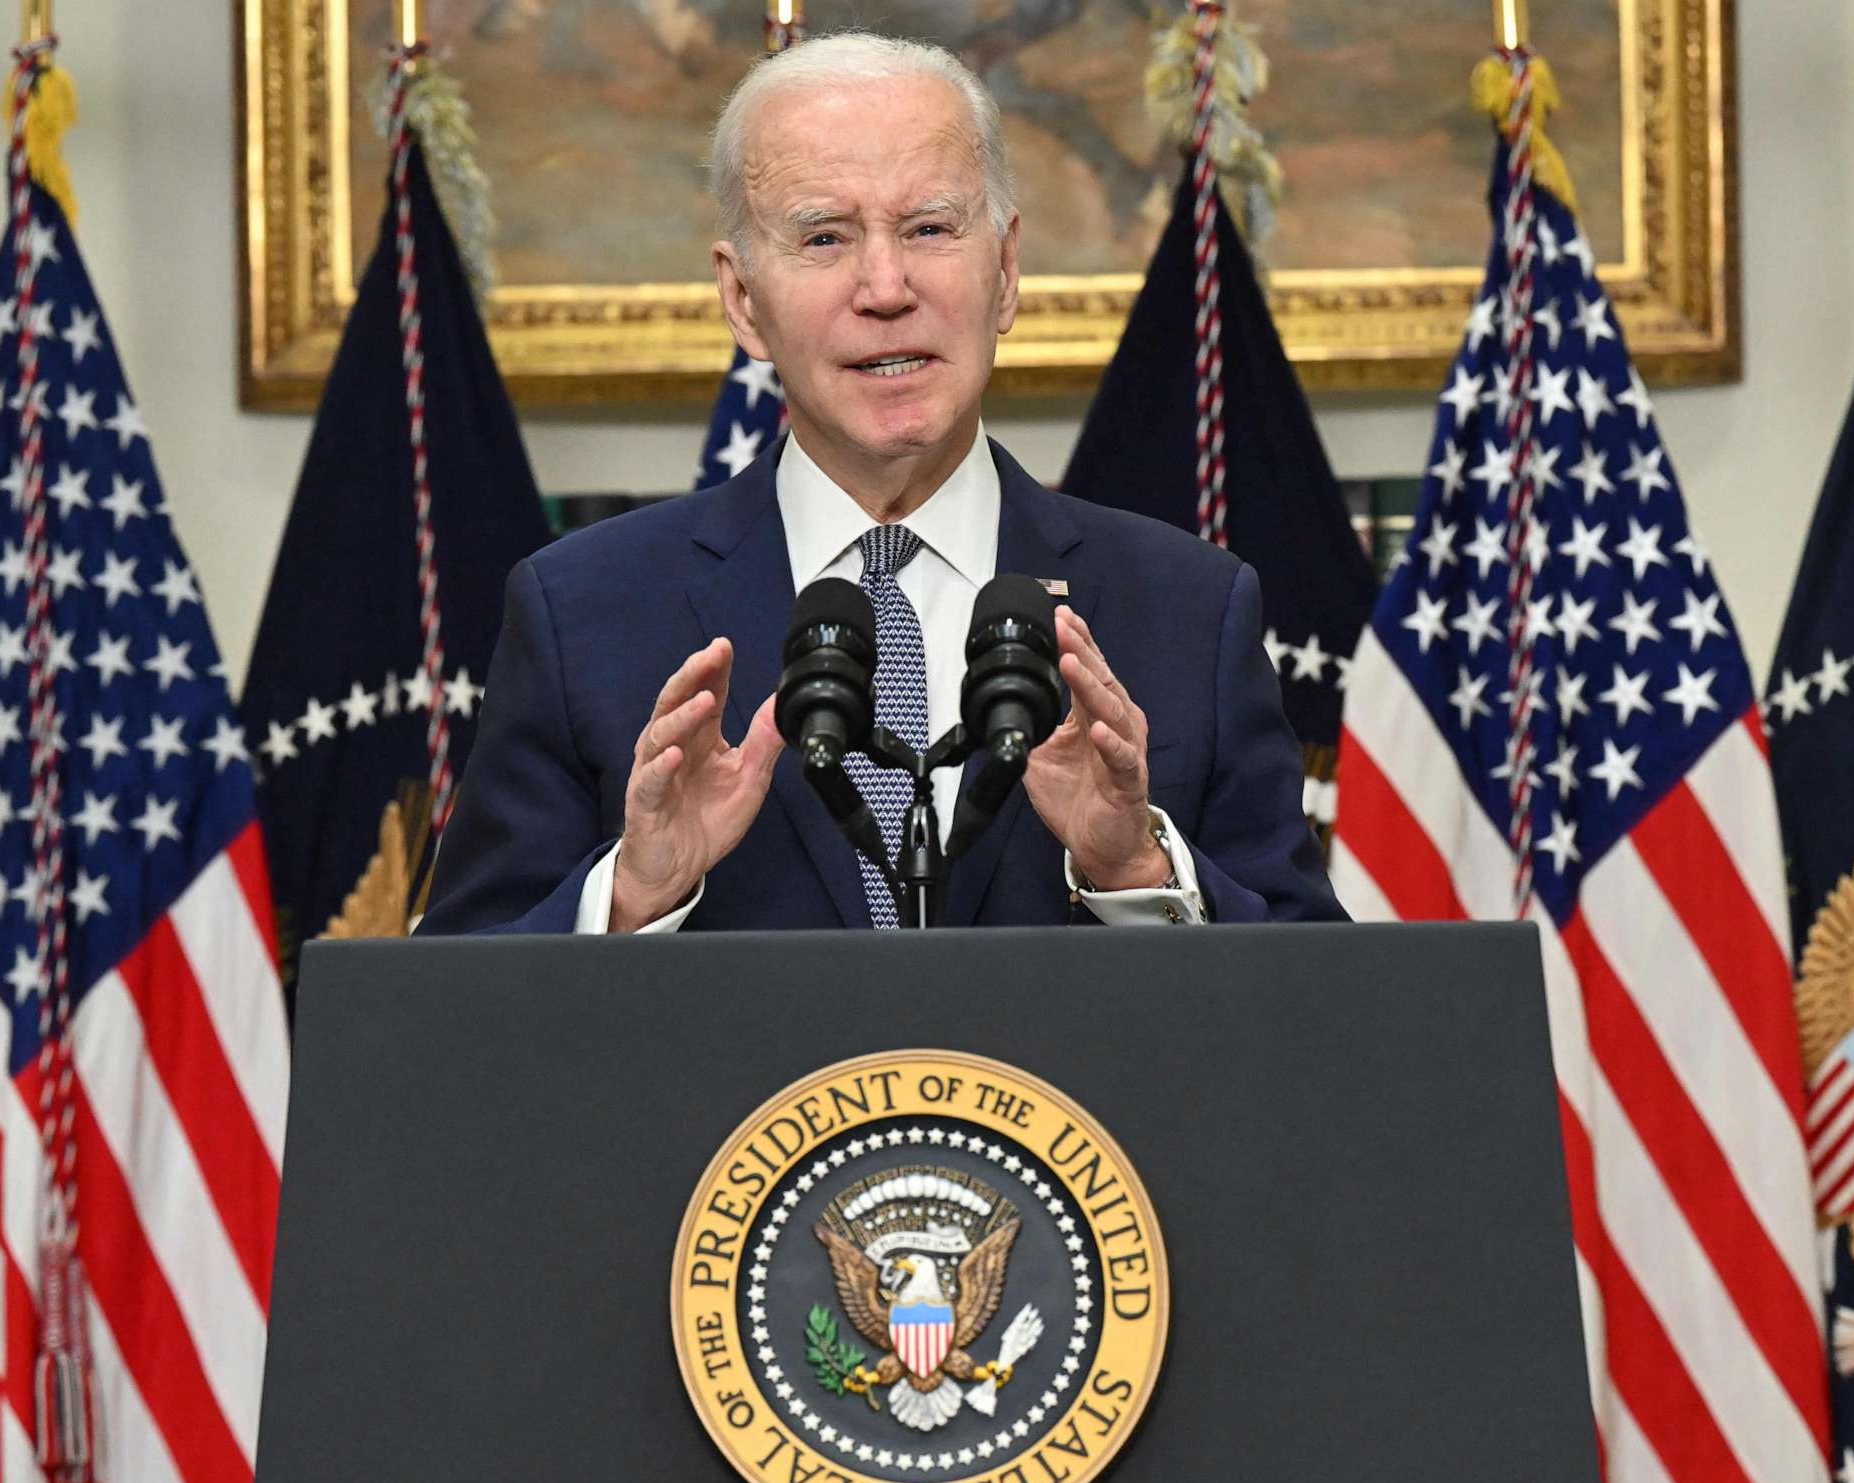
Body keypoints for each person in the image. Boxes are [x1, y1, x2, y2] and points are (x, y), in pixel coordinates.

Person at [421, 32, 1342, 935]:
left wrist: (1137, 870)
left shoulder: (1189, 605)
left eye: (930, 228)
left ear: (1007, 270)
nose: (886, 286)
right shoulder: (582, 612)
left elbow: (1323, 1015)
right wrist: (633, 894)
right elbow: (444, 1026)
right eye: (824, 237)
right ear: (743, 300)